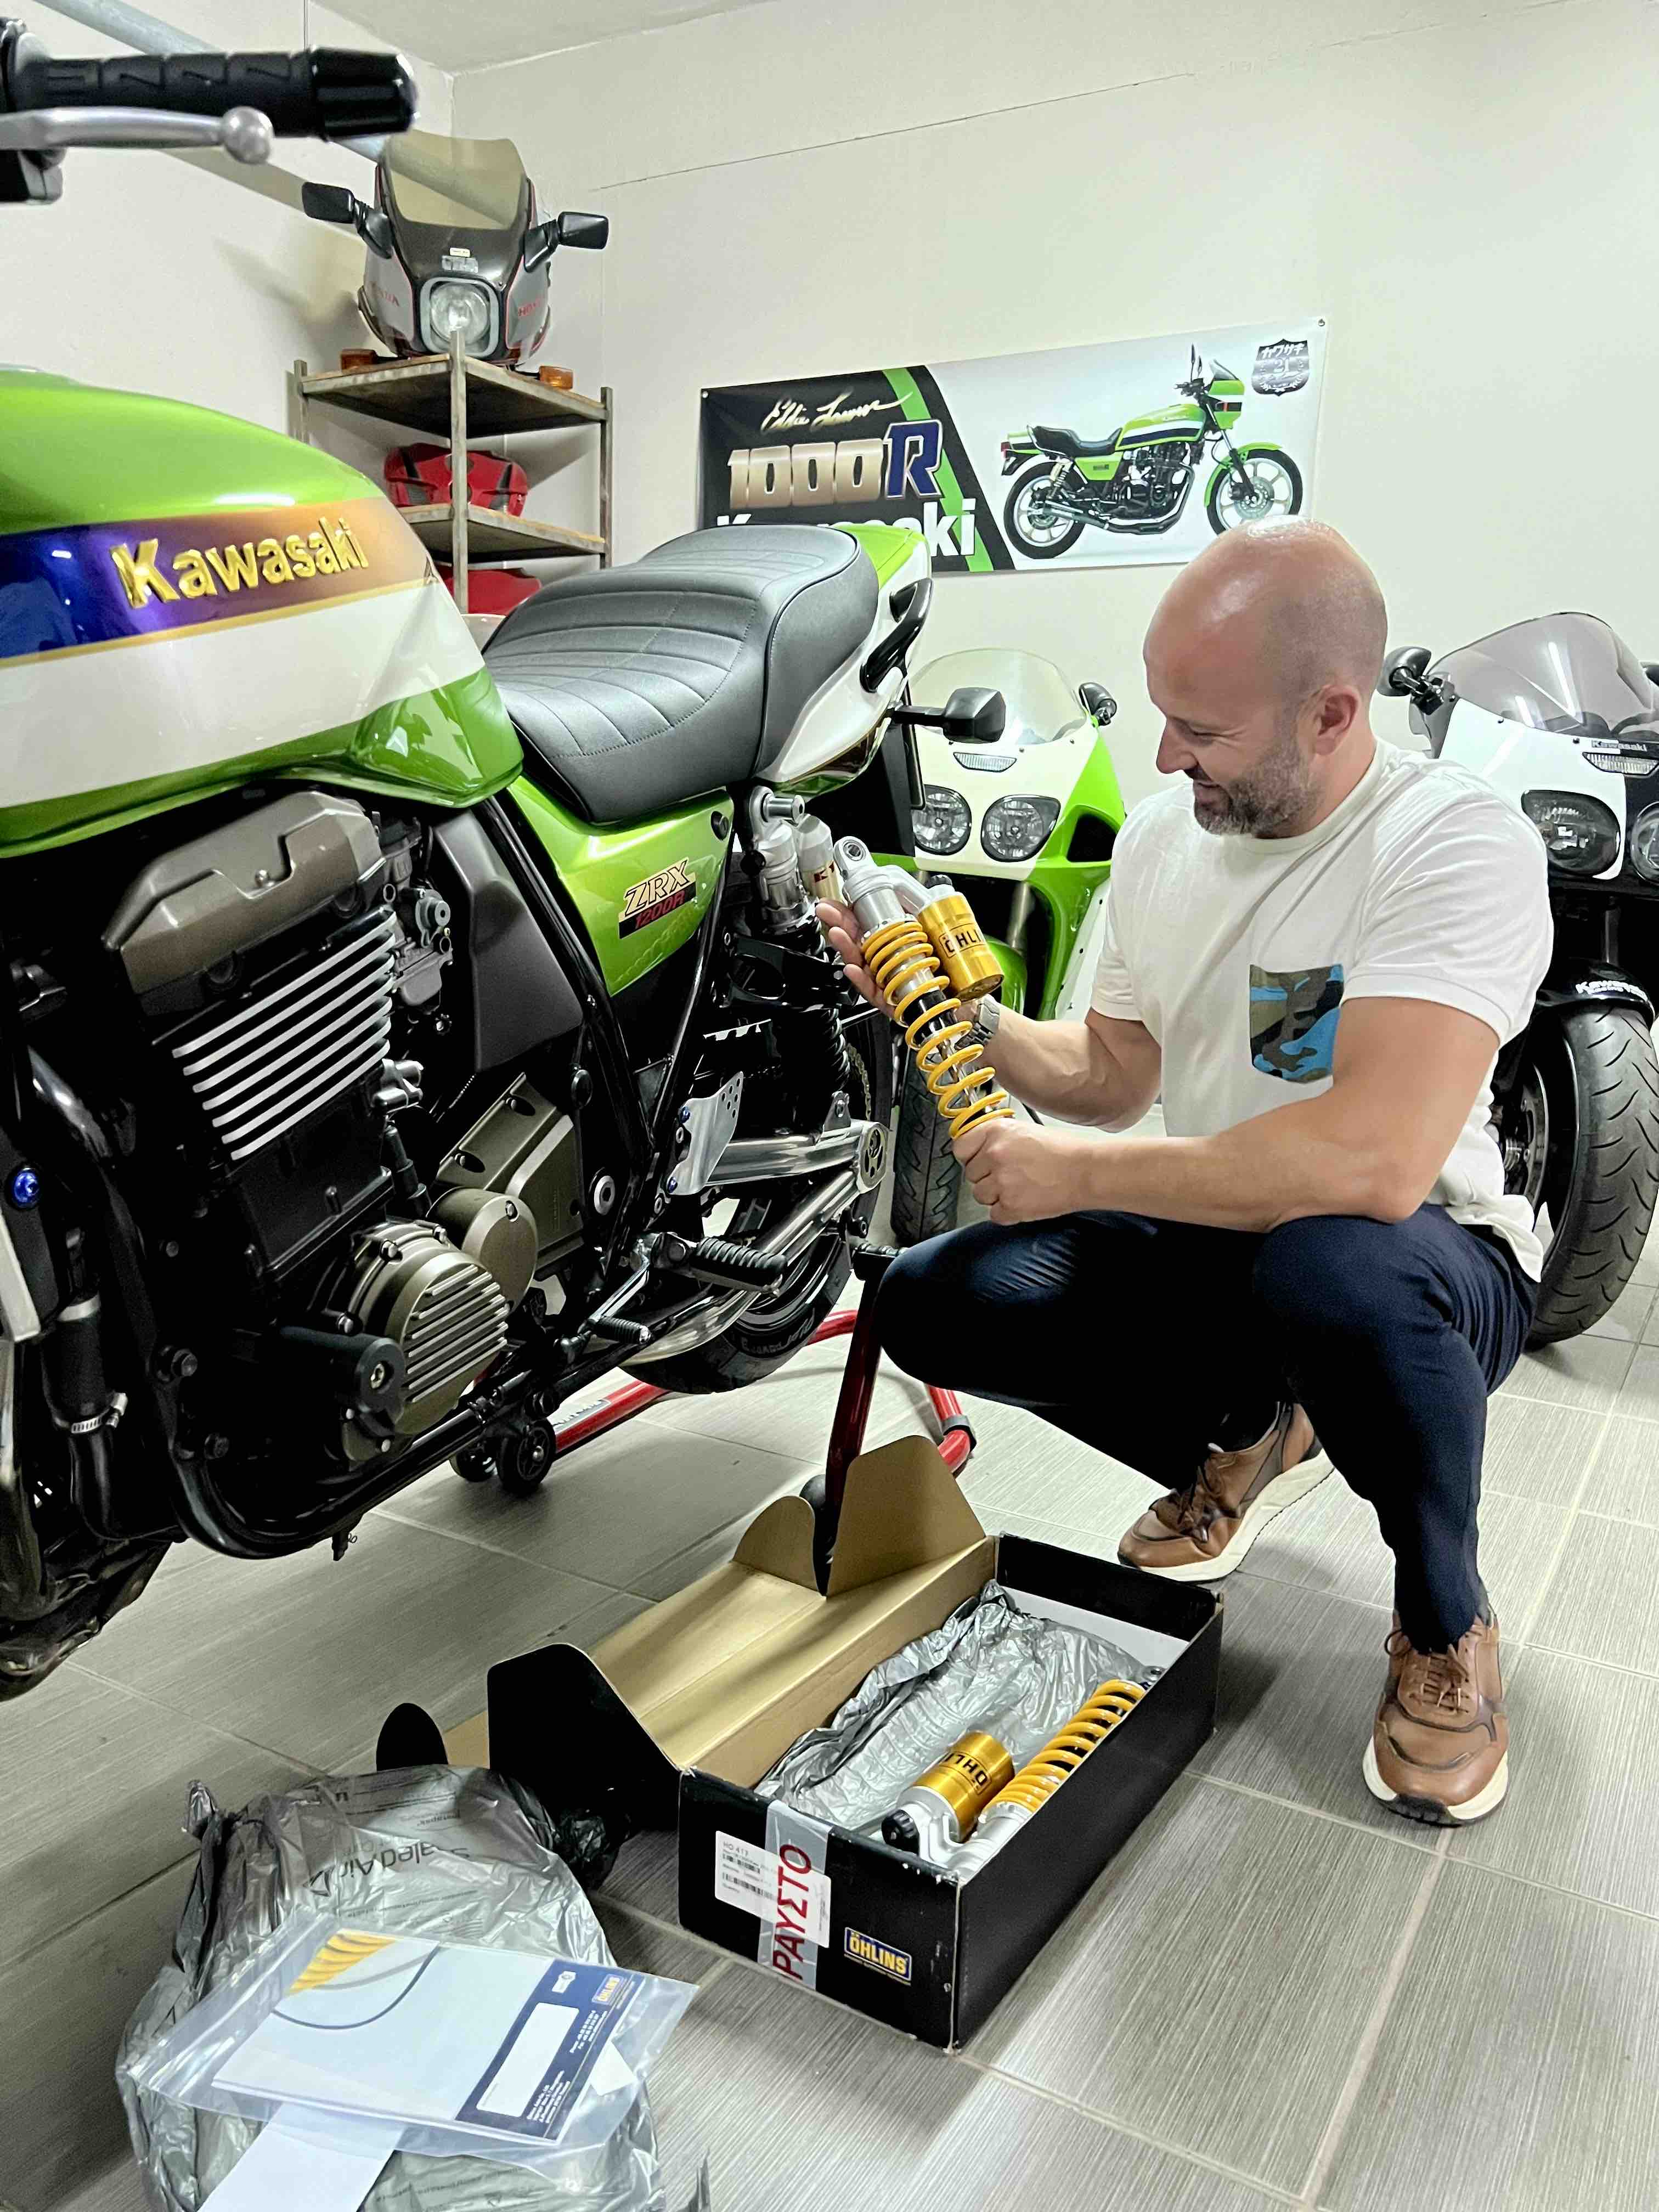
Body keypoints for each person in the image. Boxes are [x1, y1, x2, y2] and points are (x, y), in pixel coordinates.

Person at [819, 519, 1551, 1827]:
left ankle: (1446, 1619)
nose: (1165, 756)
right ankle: (1249, 1433)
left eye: (1201, 730)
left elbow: (1376, 1162)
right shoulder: (1165, 840)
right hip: (1223, 1228)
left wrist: (1082, 1171)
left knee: (1331, 1268)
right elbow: (1110, 1070)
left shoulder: (1451, 843)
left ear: (1332, 715)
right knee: (930, 1301)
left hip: (1421, 1256)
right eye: (1163, 715)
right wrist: (954, 1012)